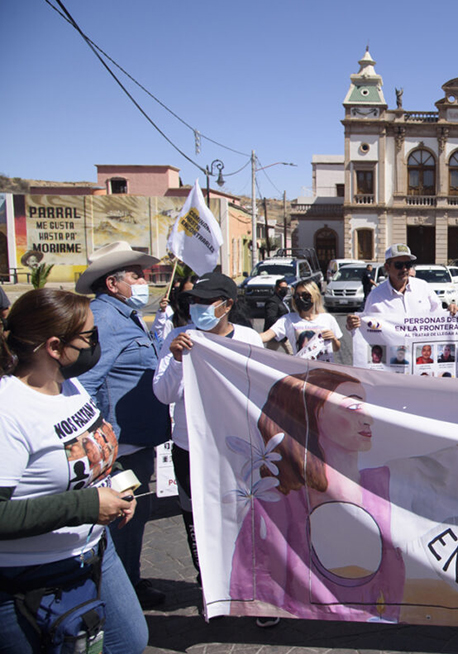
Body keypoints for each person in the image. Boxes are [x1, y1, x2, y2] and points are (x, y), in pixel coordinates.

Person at [227, 370, 458, 622]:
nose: (368, 415)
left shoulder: (387, 484)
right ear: (315, 414)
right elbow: (251, 586)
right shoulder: (273, 505)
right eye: (352, 405)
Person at [0, 288, 147, 653]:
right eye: (90, 336)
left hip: (95, 553)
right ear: (54, 346)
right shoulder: (8, 410)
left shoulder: (70, 385)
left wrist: (121, 483)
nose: (96, 344)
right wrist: (86, 506)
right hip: (29, 579)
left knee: (130, 642)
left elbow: (94, 449)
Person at [152, 273, 264, 615]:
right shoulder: (178, 338)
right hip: (190, 448)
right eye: (194, 301)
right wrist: (176, 361)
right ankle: (210, 588)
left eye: (206, 301)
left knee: (245, 518)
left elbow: (261, 388)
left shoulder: (248, 338)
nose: (197, 307)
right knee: (197, 520)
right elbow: (163, 394)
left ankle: (252, 590)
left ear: (227, 305)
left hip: (236, 448)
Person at [74, 240, 170, 609]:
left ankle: (129, 581)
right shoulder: (104, 319)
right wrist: (101, 441)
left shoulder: (123, 315)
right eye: (136, 275)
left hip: (135, 440)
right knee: (123, 520)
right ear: (113, 283)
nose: (144, 281)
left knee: (136, 516)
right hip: (120, 447)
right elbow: (85, 384)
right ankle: (120, 593)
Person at [346, 244, 458, 331]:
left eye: (408, 265)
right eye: (399, 265)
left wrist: (450, 311)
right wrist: (352, 324)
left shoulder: (423, 287)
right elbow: (365, 327)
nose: (404, 269)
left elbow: (438, 315)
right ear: (387, 267)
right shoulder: (376, 296)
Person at [260, 281, 342, 363]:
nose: (301, 299)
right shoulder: (288, 319)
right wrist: (251, 336)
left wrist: (333, 339)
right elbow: (267, 335)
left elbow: (336, 348)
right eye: (297, 296)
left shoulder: (328, 319)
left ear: (315, 296)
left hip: (323, 369)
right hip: (301, 368)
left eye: (305, 295)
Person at [153, 273, 195, 342]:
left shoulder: (208, 321)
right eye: (186, 294)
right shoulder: (171, 321)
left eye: (193, 294)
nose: (190, 299)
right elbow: (160, 338)